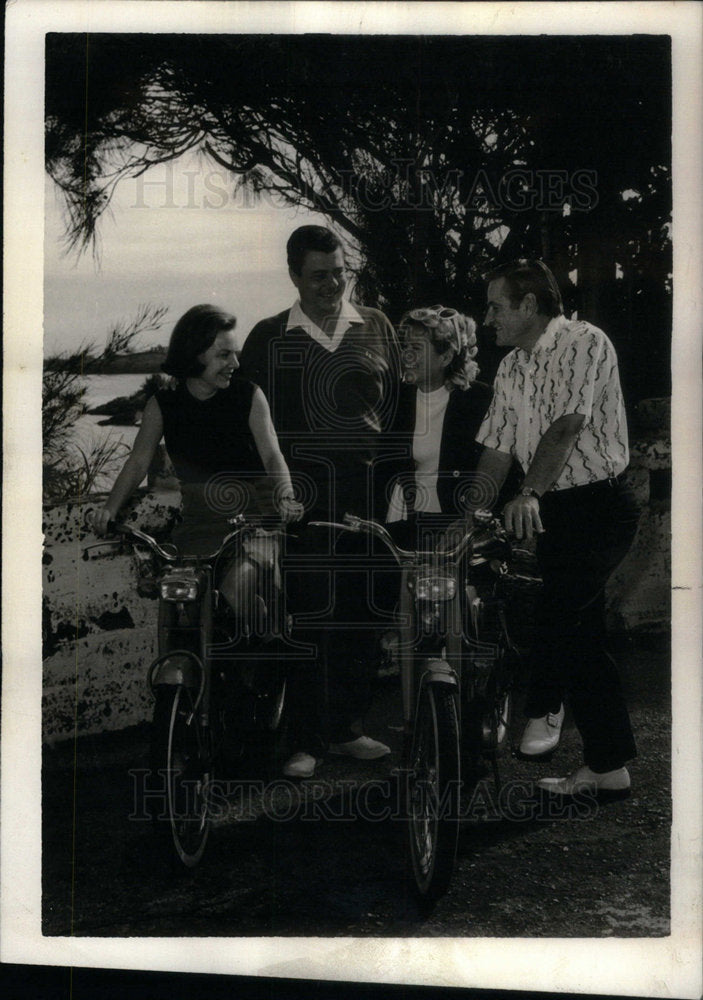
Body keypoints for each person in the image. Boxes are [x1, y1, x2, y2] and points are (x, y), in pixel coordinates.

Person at [463, 259, 640, 801]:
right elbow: (496, 450)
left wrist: (530, 493)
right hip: (556, 511)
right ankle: (610, 765)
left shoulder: (586, 340)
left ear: (529, 305)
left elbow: (567, 425)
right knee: (583, 634)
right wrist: (469, 519)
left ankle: (543, 705)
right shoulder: (512, 368)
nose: (487, 317)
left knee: (561, 610)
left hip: (601, 503)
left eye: (496, 305)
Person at [238, 225, 400, 778]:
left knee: (364, 614)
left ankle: (348, 728)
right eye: (318, 275)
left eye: (339, 272)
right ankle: (305, 740)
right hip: (302, 501)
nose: (332, 284)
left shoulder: (377, 325)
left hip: (370, 497)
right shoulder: (267, 337)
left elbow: (397, 411)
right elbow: (249, 425)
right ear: (294, 276)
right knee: (311, 617)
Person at [92, 305, 303, 616]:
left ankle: (266, 654)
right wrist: (109, 508)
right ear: (195, 355)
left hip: (257, 526)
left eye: (235, 353)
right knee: (177, 602)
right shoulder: (163, 404)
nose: (235, 363)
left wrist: (287, 496)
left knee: (235, 590)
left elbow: (272, 454)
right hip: (198, 529)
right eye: (224, 355)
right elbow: (138, 462)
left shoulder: (248, 395)